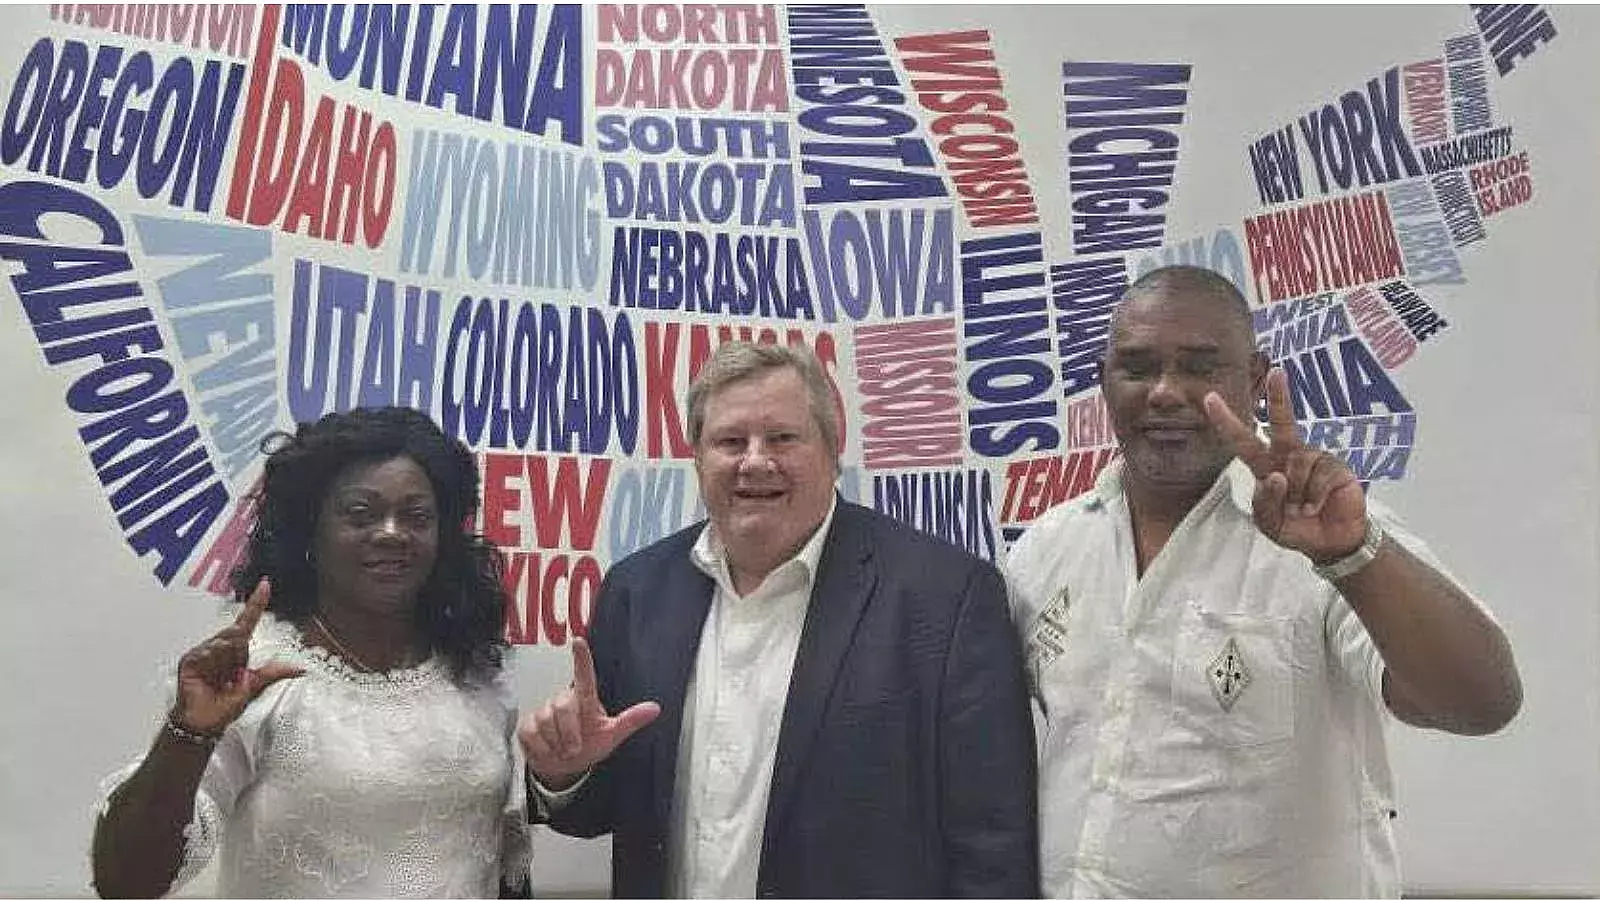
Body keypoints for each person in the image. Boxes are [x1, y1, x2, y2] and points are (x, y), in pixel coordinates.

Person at [1005, 265, 1523, 898]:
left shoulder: (1330, 541)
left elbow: (1482, 702)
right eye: (1137, 368)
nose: (1165, 392)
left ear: (1254, 380)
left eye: (1199, 368)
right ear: (1103, 380)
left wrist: (1353, 555)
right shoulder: (1045, 551)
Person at [518, 341, 1039, 898]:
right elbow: (600, 811)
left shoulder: (948, 599)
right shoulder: (637, 592)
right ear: (698, 458)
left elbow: (994, 847)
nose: (755, 461)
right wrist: (564, 773)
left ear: (832, 449)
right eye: (730, 441)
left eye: (783, 438)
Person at [91, 407, 531, 898]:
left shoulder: (471, 674)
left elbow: (502, 862)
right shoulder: (251, 674)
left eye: (417, 516)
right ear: (309, 532)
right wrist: (188, 735)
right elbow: (126, 882)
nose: (391, 532)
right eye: (361, 514)